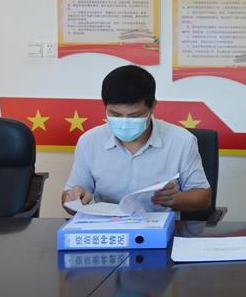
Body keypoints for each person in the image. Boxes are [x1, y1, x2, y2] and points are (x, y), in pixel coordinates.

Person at [62, 65, 211, 213]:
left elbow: (203, 198)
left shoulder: (182, 141)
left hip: (160, 225)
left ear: (152, 106)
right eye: (116, 115)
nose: (124, 122)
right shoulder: (89, 141)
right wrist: (74, 199)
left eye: (135, 116)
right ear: (105, 106)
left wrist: (176, 198)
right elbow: (68, 201)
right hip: (107, 225)